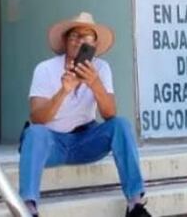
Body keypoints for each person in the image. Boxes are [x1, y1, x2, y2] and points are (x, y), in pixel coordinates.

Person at [20, 12, 149, 217]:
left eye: (87, 38)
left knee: (121, 125)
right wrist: (64, 90)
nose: (80, 42)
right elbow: (37, 118)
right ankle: (27, 208)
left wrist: (94, 83)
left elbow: (110, 114)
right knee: (34, 134)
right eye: (75, 36)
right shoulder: (45, 69)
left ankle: (135, 204)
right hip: (53, 144)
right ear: (65, 41)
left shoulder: (101, 68)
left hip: (86, 140)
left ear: (94, 45)